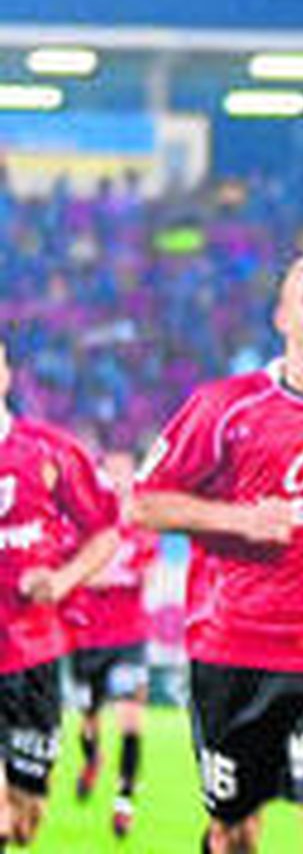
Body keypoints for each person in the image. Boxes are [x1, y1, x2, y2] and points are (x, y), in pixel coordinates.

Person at [132, 254, 303, 854]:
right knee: (235, 836)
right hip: (234, 657)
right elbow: (143, 505)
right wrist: (239, 519)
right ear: (282, 317)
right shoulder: (224, 406)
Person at [0, 341, 119, 850]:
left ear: (5, 376)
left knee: (26, 817)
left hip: (34, 655)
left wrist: (62, 581)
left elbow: (107, 531)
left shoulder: (47, 451)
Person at [64, 449, 159, 840]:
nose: (119, 479)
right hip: (87, 637)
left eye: (126, 471)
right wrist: (99, 574)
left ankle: (123, 803)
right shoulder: (85, 524)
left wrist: (99, 573)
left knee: (131, 720)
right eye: (112, 472)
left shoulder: (142, 527)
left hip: (129, 638)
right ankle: (92, 760)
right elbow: (73, 574)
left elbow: (146, 577)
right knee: (88, 719)